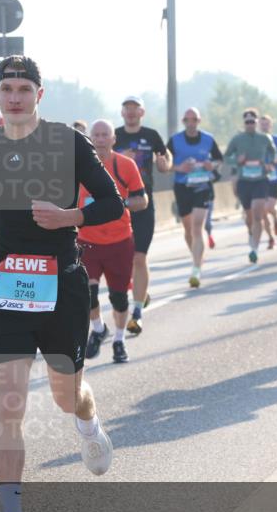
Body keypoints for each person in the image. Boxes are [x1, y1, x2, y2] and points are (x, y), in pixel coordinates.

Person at [0, 55, 124, 512]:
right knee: (7, 403)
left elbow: (109, 202)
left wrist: (69, 217)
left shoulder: (67, 143)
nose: (13, 98)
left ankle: (88, 425)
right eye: (7, 89)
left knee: (67, 395)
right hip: (7, 287)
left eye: (24, 89)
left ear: (39, 96)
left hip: (62, 287)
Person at [79, 119, 146, 363]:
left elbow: (142, 200)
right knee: (87, 292)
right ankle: (98, 329)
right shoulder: (77, 167)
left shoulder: (125, 165)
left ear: (113, 139)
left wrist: (116, 205)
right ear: (89, 138)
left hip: (119, 240)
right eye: (95, 134)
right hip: (87, 240)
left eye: (104, 134)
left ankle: (119, 340)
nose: (99, 139)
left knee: (118, 297)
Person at [113, 96, 170, 335]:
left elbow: (166, 159)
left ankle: (137, 312)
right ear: (122, 112)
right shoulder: (114, 136)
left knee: (139, 257)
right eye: (127, 109)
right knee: (121, 260)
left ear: (142, 112)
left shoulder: (152, 135)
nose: (131, 113)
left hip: (144, 203)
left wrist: (163, 163)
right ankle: (139, 293)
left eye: (135, 109)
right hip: (118, 205)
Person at [160, 107, 223, 287]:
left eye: (194, 119)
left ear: (199, 121)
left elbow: (220, 160)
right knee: (188, 230)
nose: (191, 123)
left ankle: (196, 269)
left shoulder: (208, 139)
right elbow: (164, 163)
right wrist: (180, 168)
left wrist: (212, 165)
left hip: (203, 186)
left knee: (197, 227)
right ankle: (197, 257)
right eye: (187, 120)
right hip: (182, 187)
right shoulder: (175, 140)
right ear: (183, 122)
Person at [224, 108, 277, 263]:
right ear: (244, 123)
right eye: (247, 122)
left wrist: (269, 164)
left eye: (252, 121)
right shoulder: (237, 139)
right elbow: (227, 157)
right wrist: (237, 161)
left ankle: (254, 249)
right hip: (244, 181)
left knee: (258, 214)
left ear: (257, 122)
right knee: (249, 216)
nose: (249, 124)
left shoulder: (264, 138)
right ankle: (251, 233)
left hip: (260, 180)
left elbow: (273, 152)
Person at [258, 114, 277, 249]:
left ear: (271, 125)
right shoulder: (255, 140)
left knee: (268, 207)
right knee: (262, 212)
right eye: (262, 124)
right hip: (259, 179)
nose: (264, 126)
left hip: (274, 178)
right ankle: (270, 238)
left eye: (267, 124)